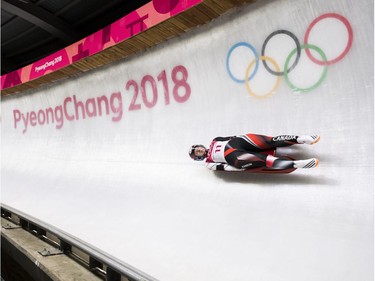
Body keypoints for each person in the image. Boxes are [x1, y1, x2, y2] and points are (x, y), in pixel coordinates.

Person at [189, 133, 320, 171]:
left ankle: (301, 139)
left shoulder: (215, 139)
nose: (199, 150)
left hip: (237, 142)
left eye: (198, 148)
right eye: (197, 152)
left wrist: (243, 137)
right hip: (234, 157)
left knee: (270, 140)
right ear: (199, 157)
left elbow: (231, 137)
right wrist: (239, 168)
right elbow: (225, 168)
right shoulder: (208, 162)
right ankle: (298, 164)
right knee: (265, 160)